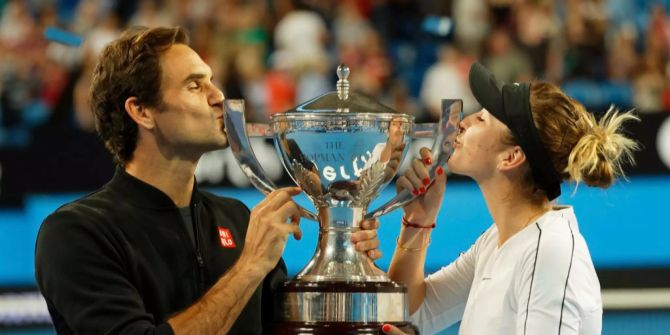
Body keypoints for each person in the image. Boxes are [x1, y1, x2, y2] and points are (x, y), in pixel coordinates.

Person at [34, 26, 382, 334]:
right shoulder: (75, 233)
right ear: (141, 111)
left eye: (212, 82)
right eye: (194, 85)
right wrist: (248, 267)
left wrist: (349, 257)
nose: (218, 97)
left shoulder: (239, 219)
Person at [381, 62, 639, 335]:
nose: (463, 122)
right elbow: (407, 314)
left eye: (481, 119)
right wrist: (418, 222)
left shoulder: (551, 252)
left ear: (511, 157)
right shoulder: (496, 241)